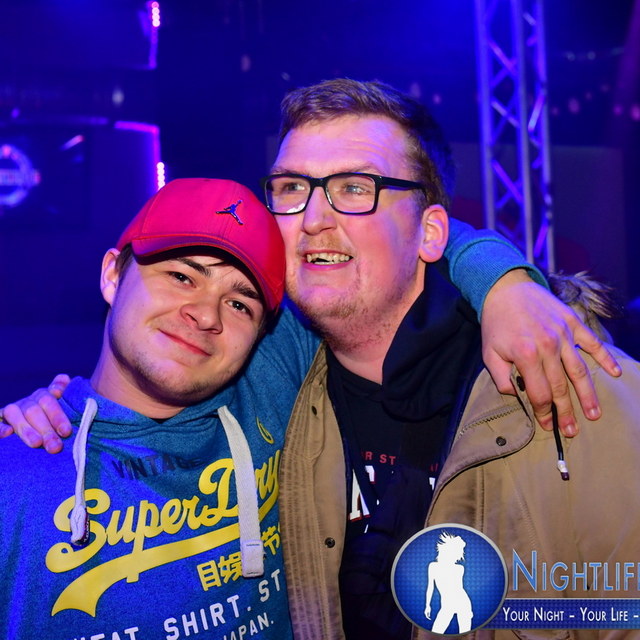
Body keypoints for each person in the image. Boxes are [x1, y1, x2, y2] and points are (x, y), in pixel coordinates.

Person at [0, 80, 628, 640]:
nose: (205, 315)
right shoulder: (26, 465)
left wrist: (508, 285)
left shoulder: (567, 377)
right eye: (293, 189)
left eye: (355, 187)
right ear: (112, 275)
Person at [263, 79, 640, 640]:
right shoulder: (271, 384)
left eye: (355, 187)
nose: (313, 217)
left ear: (431, 233)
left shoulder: (578, 387)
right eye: (293, 187)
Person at [0, 178, 322, 639]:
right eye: (182, 277)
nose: (206, 315)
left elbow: (379, 270)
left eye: (239, 304)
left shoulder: (271, 377)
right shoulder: (17, 472)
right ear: (113, 276)